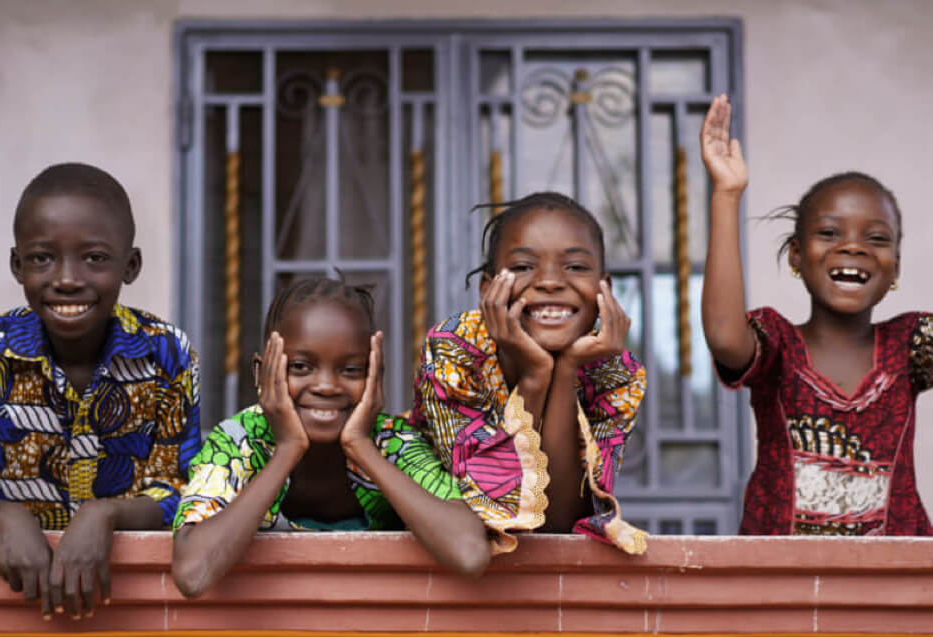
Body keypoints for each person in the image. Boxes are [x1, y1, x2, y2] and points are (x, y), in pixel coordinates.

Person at [0, 163, 201, 618]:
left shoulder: (166, 352)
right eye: (42, 258)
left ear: (130, 265)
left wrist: (104, 514)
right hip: (8, 608)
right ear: (17, 265)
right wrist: (4, 516)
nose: (67, 278)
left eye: (94, 258)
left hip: (133, 609)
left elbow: (179, 492)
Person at [700, 94, 932, 535]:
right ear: (796, 256)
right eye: (829, 233)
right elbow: (726, 336)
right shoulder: (777, 343)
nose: (853, 246)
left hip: (899, 584)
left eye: (877, 239)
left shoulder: (911, 343)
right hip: (782, 582)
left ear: (896, 267)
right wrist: (727, 195)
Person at [172, 277, 490, 598]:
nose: (326, 385)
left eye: (351, 370)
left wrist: (361, 447)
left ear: (375, 374)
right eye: (300, 366)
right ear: (262, 371)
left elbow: (469, 553)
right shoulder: (239, 440)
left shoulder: (392, 441)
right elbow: (193, 573)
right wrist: (287, 450)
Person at [411, 192, 648, 556]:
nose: (550, 282)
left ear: (606, 289)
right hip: (446, 541)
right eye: (523, 267)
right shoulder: (453, 350)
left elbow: (556, 521)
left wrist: (566, 370)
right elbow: (496, 504)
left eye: (575, 267)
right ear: (488, 290)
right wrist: (537, 375)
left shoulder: (616, 374)